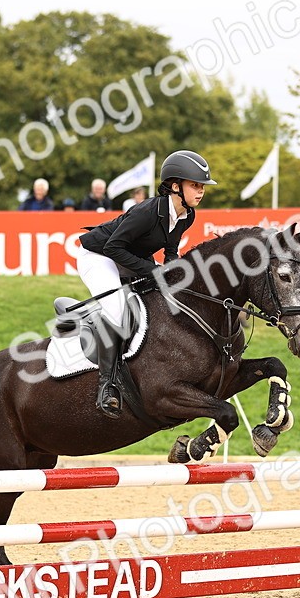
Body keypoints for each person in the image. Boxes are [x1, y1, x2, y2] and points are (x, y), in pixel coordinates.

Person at [76, 149, 216, 418]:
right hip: (99, 255)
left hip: (131, 257)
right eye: (195, 185)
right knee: (116, 309)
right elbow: (114, 247)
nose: (201, 192)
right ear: (175, 186)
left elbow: (171, 251)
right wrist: (154, 271)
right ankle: (107, 385)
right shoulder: (146, 212)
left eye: (202, 187)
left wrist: (174, 272)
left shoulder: (187, 214)